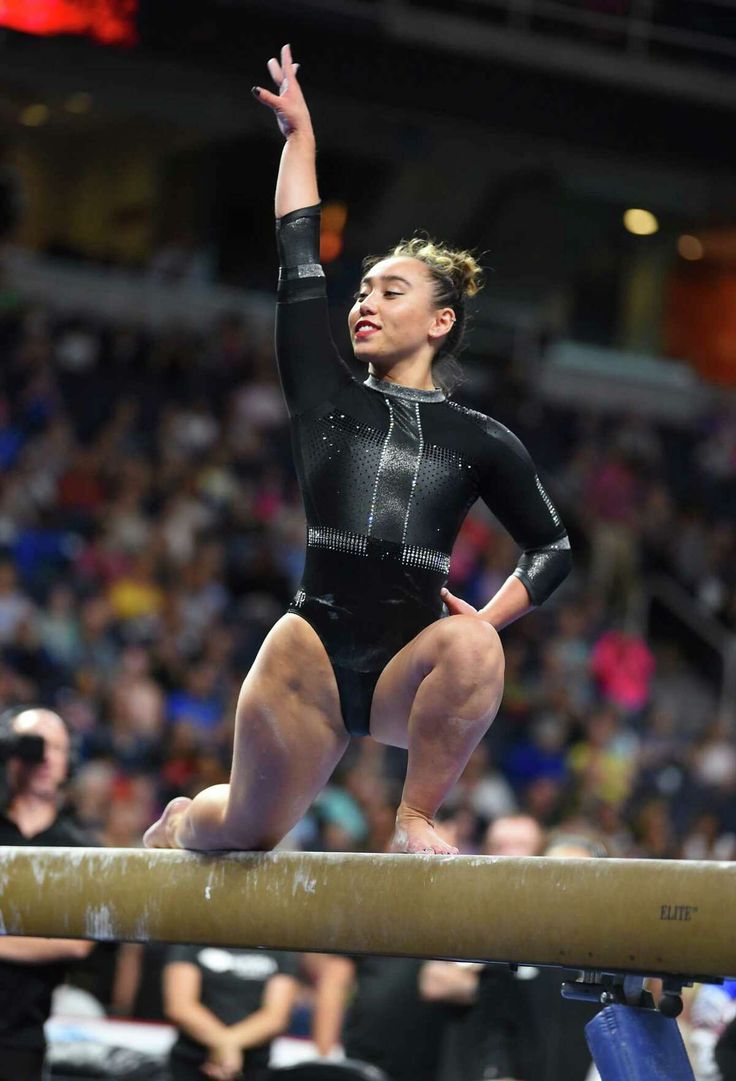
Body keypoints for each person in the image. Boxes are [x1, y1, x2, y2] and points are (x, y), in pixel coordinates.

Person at [144, 44, 571, 857]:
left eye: (390, 291)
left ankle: (414, 817)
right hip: (307, 658)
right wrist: (299, 140)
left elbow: (552, 545)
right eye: (363, 289)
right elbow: (298, 252)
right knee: (247, 832)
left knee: (478, 645)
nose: (364, 303)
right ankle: (180, 819)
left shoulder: (483, 439)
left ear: (440, 321)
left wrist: (487, 616)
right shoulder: (324, 393)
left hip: (408, 664)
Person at [0, 707, 94, 1081]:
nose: (43, 757)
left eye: (55, 747)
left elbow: (77, 943)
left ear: (68, 759)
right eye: (33, 745)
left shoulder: (79, 849)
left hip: (22, 1032)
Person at [163, 944, 299, 1081]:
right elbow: (180, 1006)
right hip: (191, 1060)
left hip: (253, 1064)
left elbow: (276, 1017)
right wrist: (227, 1046)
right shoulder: (194, 938)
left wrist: (227, 1044)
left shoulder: (279, 945)